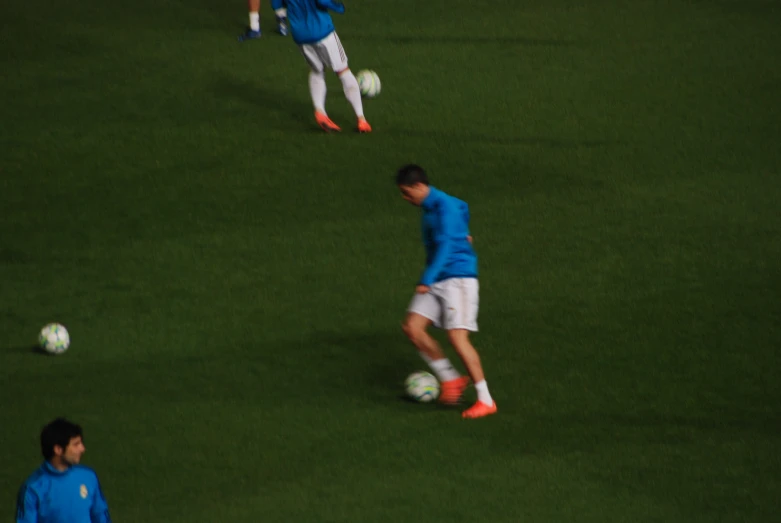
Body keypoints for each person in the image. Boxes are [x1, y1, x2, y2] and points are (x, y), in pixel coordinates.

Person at [396, 164, 497, 419]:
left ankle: (486, 400)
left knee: (458, 338)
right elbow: (463, 206)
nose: (405, 199)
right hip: (439, 277)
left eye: (407, 193)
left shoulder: (444, 208)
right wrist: (465, 230)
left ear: (420, 186)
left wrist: (426, 278)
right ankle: (451, 379)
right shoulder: (439, 204)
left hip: (457, 279)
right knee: (412, 327)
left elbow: (445, 247)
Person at [271, 0, 371, 133]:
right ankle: (361, 119)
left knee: (317, 71)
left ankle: (320, 111)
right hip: (322, 31)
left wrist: (281, 17)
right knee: (343, 71)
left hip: (300, 35)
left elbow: (276, 2)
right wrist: (339, 7)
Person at [16, 418, 111, 523]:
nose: (82, 449)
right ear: (58, 449)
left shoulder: (88, 476)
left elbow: (100, 516)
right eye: (76, 444)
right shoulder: (33, 488)